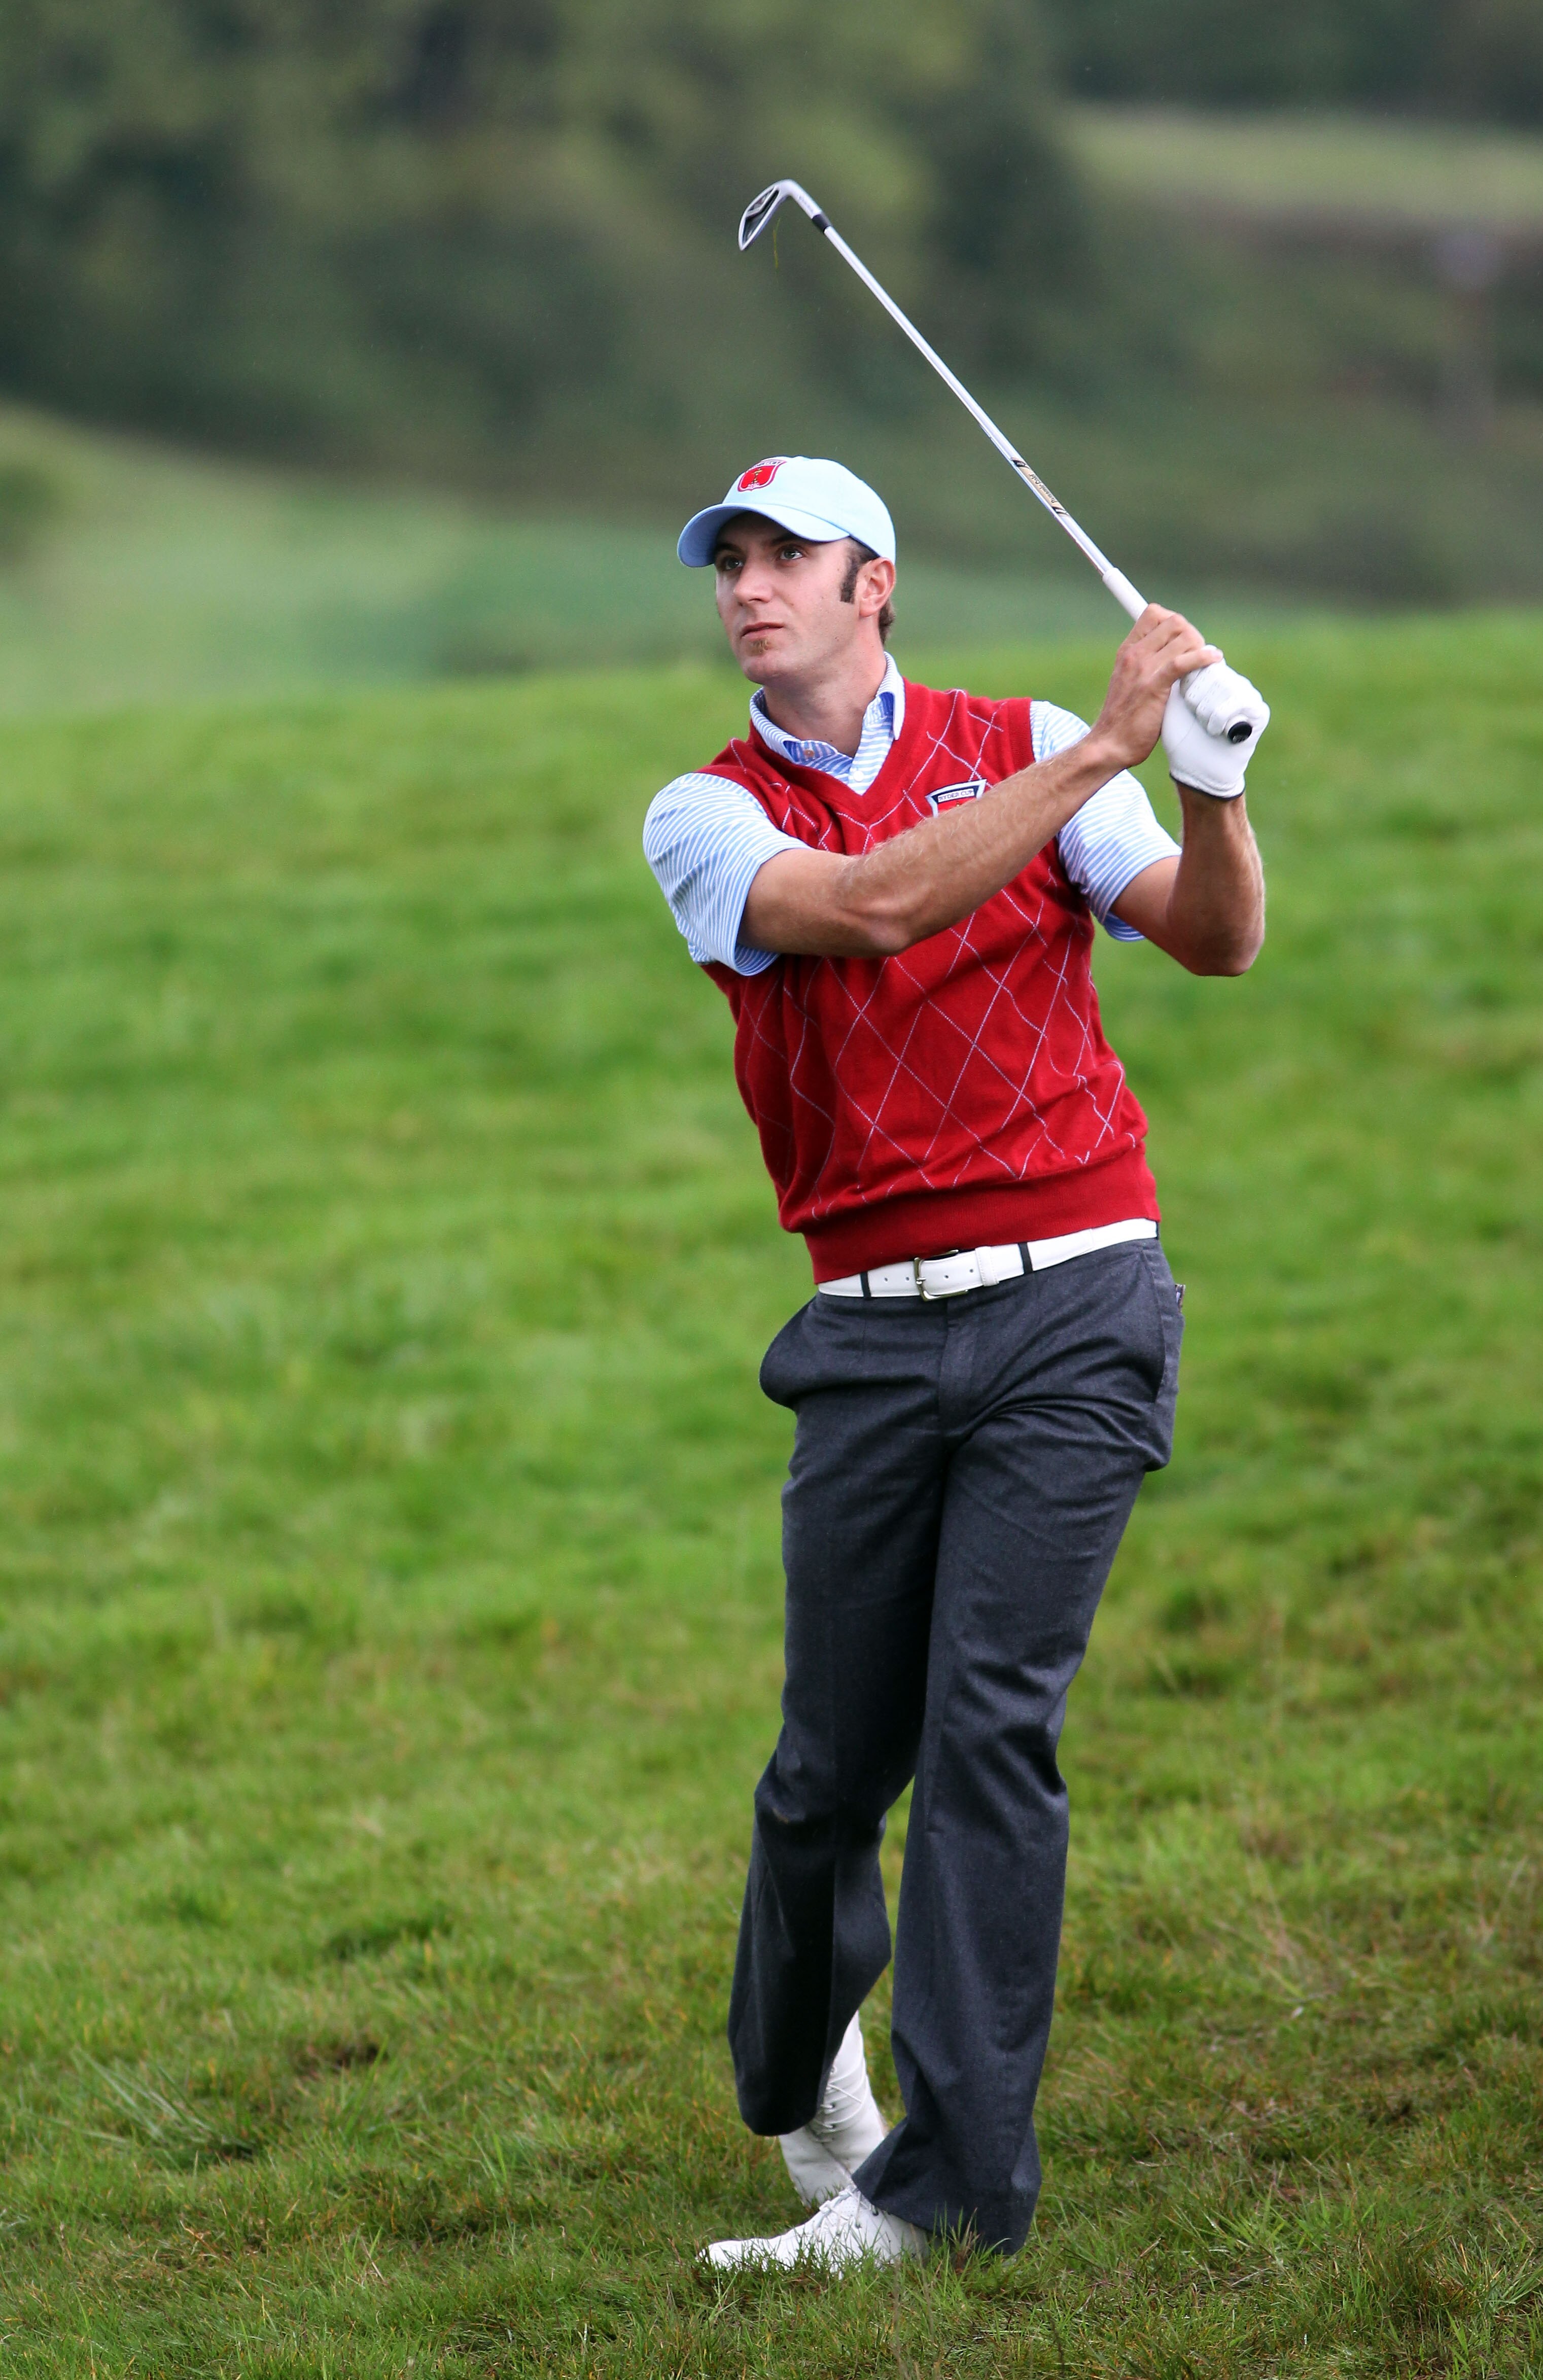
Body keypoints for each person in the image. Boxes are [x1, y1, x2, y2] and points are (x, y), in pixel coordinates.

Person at [642, 456, 1267, 2270]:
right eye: (727, 563)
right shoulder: (703, 811)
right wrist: (1101, 752)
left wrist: (1209, 790)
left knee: (989, 1731)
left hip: (1076, 1299)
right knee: (829, 1767)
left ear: (875, 585)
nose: (747, 586)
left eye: (785, 557)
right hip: (868, 1332)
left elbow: (1215, 940)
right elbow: (872, 911)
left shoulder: (1025, 731)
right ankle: (796, 2071)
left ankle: (950, 2189)